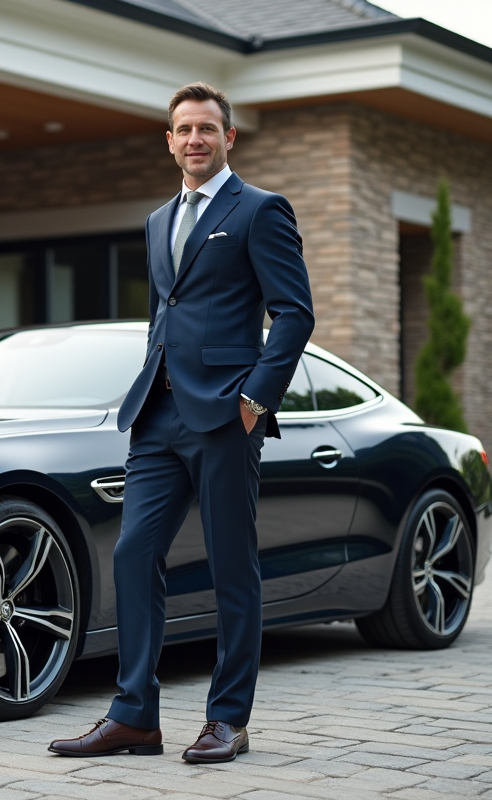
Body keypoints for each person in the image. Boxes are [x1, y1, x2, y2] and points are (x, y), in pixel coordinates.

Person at [48, 82, 314, 764]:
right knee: (135, 553)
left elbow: (294, 313)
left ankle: (228, 719)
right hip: (157, 416)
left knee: (232, 569)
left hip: (226, 416)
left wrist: (255, 401)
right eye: (183, 129)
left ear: (230, 139)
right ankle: (134, 716)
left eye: (207, 128)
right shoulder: (156, 219)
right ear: (168, 141)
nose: (195, 138)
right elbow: (167, 315)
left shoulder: (259, 211)